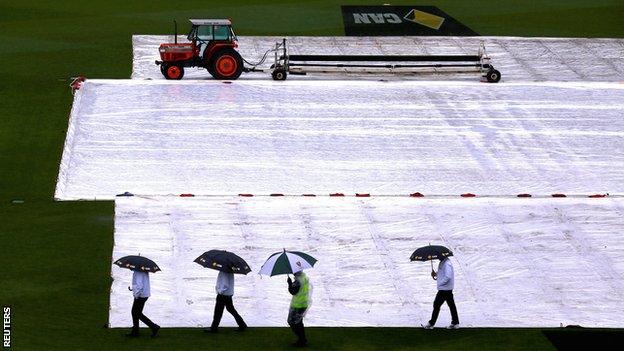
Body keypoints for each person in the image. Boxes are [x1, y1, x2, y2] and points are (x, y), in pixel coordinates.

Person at [422, 256, 460, 329]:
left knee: (436, 305)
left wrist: (441, 283)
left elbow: (448, 276)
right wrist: (435, 274)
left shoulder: (447, 264)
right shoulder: (443, 262)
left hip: (444, 289)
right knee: (451, 305)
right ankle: (455, 323)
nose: (437, 257)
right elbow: (443, 274)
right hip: (446, 288)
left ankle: (431, 324)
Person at [127, 270, 160, 337]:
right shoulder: (143, 271)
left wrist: (136, 295)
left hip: (140, 295)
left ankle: (153, 327)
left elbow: (139, 286)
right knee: (136, 313)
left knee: (136, 313)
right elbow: (141, 284)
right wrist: (133, 289)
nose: (129, 267)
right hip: (144, 294)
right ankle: (136, 331)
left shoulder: (138, 272)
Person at [287, 271, 311, 347]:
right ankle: (303, 340)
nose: (292, 273)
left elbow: (293, 291)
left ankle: (301, 340)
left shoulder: (298, 281)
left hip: (297, 305)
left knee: (291, 322)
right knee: (299, 322)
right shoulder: (305, 278)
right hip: (304, 303)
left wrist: (289, 283)